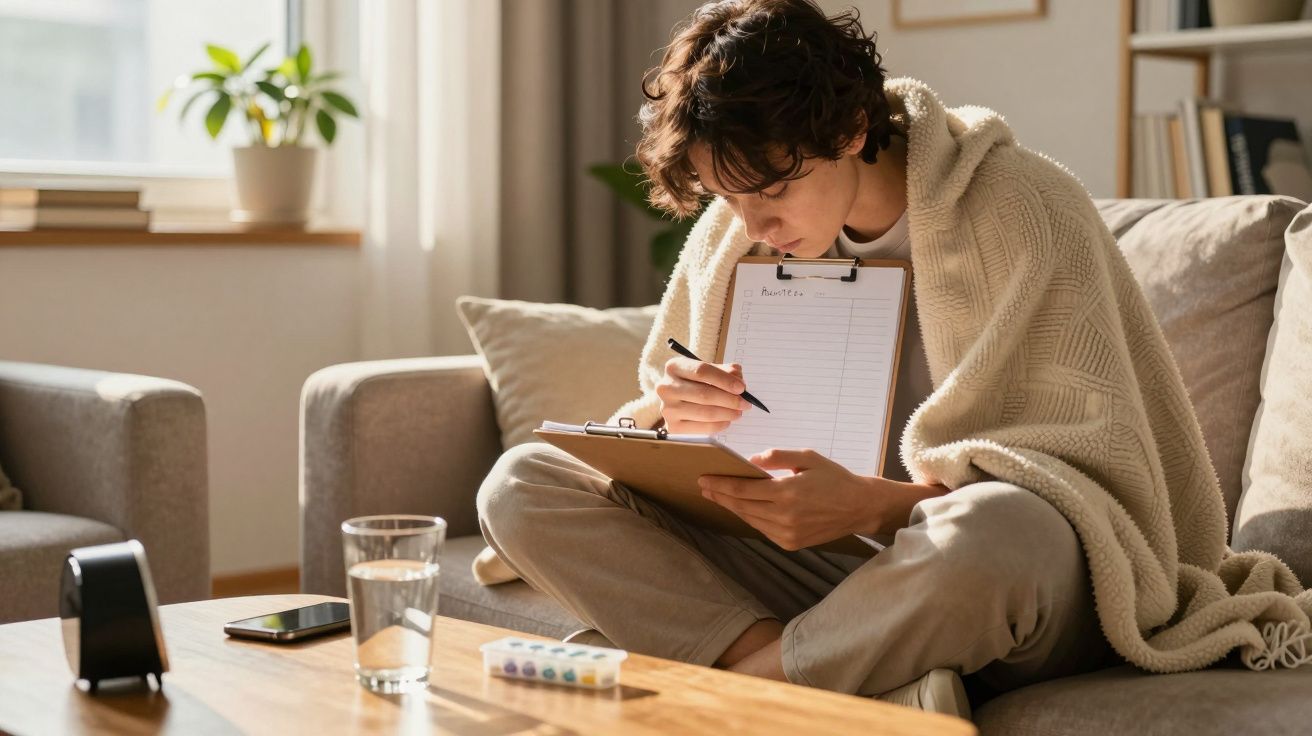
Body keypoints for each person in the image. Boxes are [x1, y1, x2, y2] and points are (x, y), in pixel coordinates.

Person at [477, 0, 1296, 717]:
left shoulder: (1024, 204)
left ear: (851, 129)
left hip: (973, 568)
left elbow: (1084, 481)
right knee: (521, 482)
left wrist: (873, 506)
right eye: (728, 196)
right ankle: (837, 672)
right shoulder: (732, 235)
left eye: (770, 190)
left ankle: (753, 691)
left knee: (994, 531)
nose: (751, 222)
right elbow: (658, 418)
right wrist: (672, 416)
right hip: (825, 572)